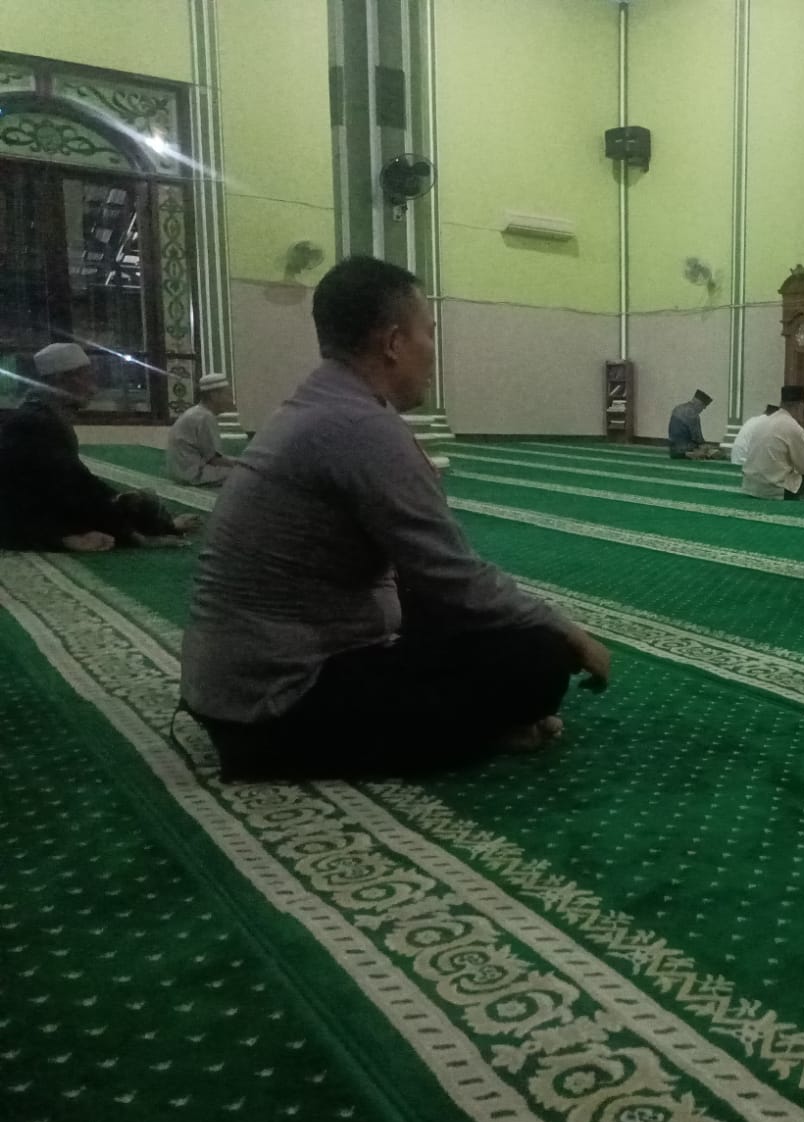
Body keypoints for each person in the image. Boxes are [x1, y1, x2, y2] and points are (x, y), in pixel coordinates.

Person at [180, 255, 612, 780]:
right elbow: (453, 576)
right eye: (428, 333)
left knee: (455, 616)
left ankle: (476, 724)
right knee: (536, 657)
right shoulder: (360, 426)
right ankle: (480, 730)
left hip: (236, 687)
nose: (433, 350)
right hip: (277, 709)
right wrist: (567, 631)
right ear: (393, 343)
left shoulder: (322, 404)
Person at [0, 342, 197, 552]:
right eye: (86, 377)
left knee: (134, 500)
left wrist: (122, 501)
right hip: (23, 523)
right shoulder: (36, 423)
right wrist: (135, 536)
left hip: (41, 508)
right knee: (130, 505)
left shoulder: (44, 415)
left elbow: (79, 481)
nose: (93, 387)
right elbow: (70, 491)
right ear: (61, 379)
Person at [741, 384, 804, 500]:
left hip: (750, 486)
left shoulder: (764, 421)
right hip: (775, 488)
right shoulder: (793, 427)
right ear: (800, 406)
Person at [166, 372, 238, 485]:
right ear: (214, 396)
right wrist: (242, 465)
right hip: (193, 474)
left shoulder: (196, 413)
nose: (231, 400)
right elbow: (213, 460)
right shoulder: (205, 417)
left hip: (181, 472)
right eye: (228, 395)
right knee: (245, 476)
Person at [666, 388, 724, 460]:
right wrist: (711, 447)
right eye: (703, 407)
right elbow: (699, 440)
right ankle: (693, 455)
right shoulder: (693, 415)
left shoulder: (677, 408)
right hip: (686, 450)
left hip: (673, 450)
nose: (702, 410)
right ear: (699, 404)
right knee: (718, 452)